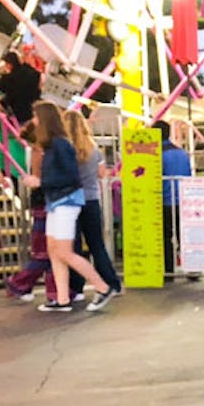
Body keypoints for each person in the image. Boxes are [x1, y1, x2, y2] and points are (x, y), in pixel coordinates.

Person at [24, 101, 116, 312]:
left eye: (36, 116)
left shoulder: (60, 145)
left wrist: (41, 183)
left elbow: (70, 177)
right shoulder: (54, 144)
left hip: (66, 201)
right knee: (55, 251)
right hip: (58, 201)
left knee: (64, 252)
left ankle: (102, 287)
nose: (33, 120)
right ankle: (62, 298)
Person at [65, 109, 122, 300]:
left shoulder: (64, 150)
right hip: (91, 199)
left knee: (73, 248)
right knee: (97, 245)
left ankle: (76, 287)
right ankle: (112, 283)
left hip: (71, 201)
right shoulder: (93, 149)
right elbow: (101, 174)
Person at [4, 121, 57, 303]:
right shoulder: (40, 153)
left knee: (49, 252)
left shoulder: (34, 151)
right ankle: (20, 283)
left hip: (42, 201)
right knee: (47, 252)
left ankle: (53, 291)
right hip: (46, 201)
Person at [153, 119, 192, 279]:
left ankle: (169, 271)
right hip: (184, 201)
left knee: (166, 237)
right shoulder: (182, 153)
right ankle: (192, 269)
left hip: (165, 201)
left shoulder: (157, 155)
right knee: (185, 235)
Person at [0, 51, 42, 125]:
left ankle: (5, 126)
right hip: (29, 110)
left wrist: (3, 74)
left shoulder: (11, 77)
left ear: (9, 64)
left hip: (16, 109)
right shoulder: (32, 73)